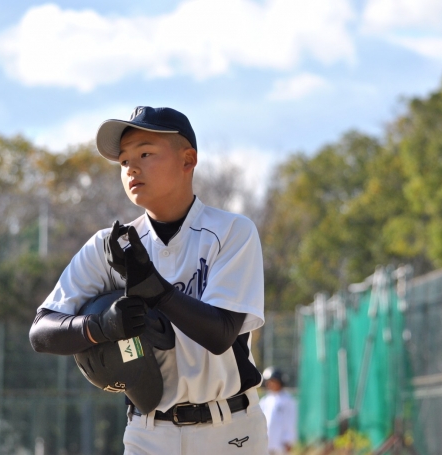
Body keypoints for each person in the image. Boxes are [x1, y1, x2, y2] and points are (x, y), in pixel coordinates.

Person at [29, 106, 268, 454]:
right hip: (148, 431)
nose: (131, 168)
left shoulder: (231, 231)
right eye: (124, 160)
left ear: (188, 160)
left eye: (145, 154)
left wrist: (157, 293)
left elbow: (220, 335)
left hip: (230, 428)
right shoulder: (109, 245)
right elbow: (41, 332)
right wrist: (101, 327)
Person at [259, 366, 297, 455]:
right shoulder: (265, 400)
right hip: (267, 441)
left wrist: (289, 439)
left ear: (279, 381)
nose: (269, 384)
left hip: (280, 442)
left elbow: (290, 421)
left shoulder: (287, 400)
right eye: (268, 381)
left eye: (272, 381)